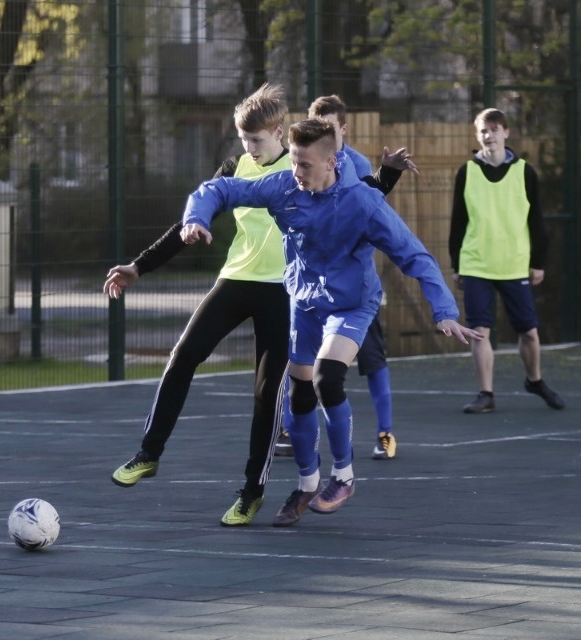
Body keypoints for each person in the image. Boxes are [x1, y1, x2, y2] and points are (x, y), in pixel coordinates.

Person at [107, 84, 415, 528]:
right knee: (183, 355)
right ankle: (148, 453)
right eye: (243, 140)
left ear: (279, 132)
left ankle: (252, 491)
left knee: (266, 393)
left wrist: (389, 174)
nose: (247, 148)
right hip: (236, 280)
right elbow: (194, 215)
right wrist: (139, 266)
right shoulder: (236, 167)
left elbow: (359, 200)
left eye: (255, 140)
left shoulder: (304, 168)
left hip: (284, 292)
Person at [181, 118, 482, 528]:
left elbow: (417, 257)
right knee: (299, 395)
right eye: (294, 163)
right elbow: (220, 188)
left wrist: (444, 311)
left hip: (351, 304)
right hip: (304, 303)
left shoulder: (362, 202)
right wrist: (195, 217)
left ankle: (343, 476)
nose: (296, 172)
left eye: (305, 165)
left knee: (327, 378)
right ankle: (307, 483)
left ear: (332, 162)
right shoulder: (284, 186)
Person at [298, 94, 407, 461]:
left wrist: (387, 175)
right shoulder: (300, 168)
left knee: (373, 359)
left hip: (354, 288)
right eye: (318, 127)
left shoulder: (357, 165)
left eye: (330, 127)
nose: (325, 133)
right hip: (313, 288)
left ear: (343, 129)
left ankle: (386, 433)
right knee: (300, 360)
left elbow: (372, 212)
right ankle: (288, 428)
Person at [448, 108, 565, 414]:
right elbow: (458, 222)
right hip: (476, 263)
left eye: (495, 129)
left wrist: (538, 261)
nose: (490, 135)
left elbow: (537, 220)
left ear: (506, 132)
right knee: (480, 331)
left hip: (514, 263)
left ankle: (535, 380)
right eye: (484, 131)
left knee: (529, 331)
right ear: (478, 136)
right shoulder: (467, 172)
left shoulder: (525, 172)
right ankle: (485, 393)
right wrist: (457, 265)